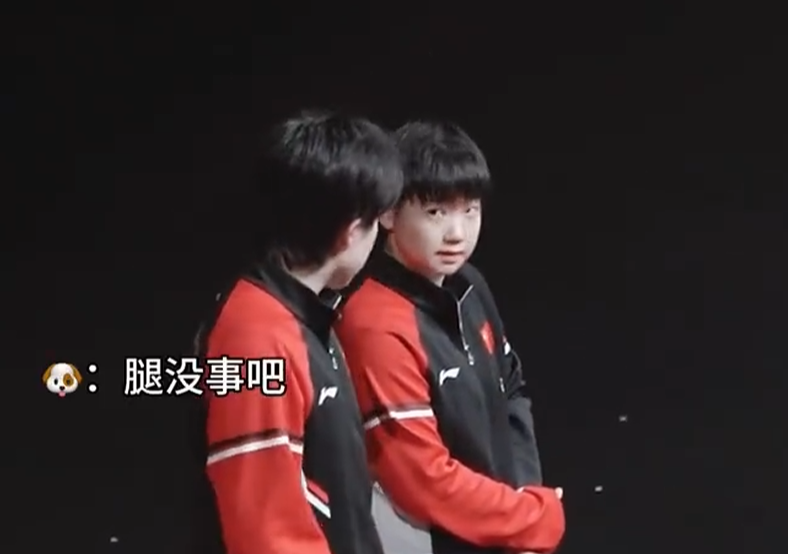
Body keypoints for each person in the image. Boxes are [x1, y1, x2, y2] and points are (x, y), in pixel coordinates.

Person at [334, 121, 565, 554]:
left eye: (470, 210)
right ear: (388, 213)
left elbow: (512, 392)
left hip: (501, 530)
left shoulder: (470, 284)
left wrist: (523, 502)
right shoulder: (374, 323)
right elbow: (421, 479)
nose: (456, 233)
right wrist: (531, 518)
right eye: (436, 212)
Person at [196, 110, 403, 554]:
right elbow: (267, 535)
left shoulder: (305, 314)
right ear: (350, 233)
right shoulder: (256, 338)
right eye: (374, 223)